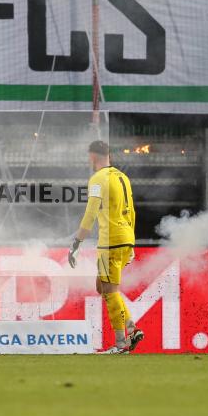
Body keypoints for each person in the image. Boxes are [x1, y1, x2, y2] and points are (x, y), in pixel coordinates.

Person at [68, 140, 144, 354]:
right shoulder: (123, 177)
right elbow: (132, 212)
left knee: (110, 291)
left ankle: (122, 344)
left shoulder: (97, 178)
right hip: (125, 237)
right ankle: (131, 328)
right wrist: (132, 243)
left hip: (109, 241)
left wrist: (76, 242)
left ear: (92, 156)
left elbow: (90, 213)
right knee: (102, 287)